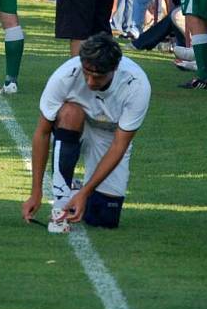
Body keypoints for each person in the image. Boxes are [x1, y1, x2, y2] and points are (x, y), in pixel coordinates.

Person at [21, 32, 151, 233]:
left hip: (110, 134)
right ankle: (61, 198)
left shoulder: (137, 85)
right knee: (70, 111)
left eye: (97, 76)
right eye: (86, 73)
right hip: (75, 122)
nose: (90, 82)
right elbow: (42, 133)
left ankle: (78, 189)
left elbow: (119, 145)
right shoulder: (64, 76)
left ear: (114, 68)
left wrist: (85, 193)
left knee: (104, 219)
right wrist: (36, 191)